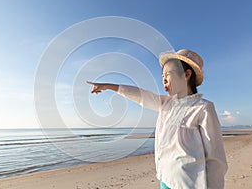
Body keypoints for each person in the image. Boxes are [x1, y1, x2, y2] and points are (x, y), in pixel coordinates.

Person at [87, 49, 228, 189]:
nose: (164, 80)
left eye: (168, 74)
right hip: (165, 179)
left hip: (188, 183)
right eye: (162, 76)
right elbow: (141, 95)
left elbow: (215, 157)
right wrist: (108, 86)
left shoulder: (202, 108)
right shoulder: (165, 104)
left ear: (186, 74)